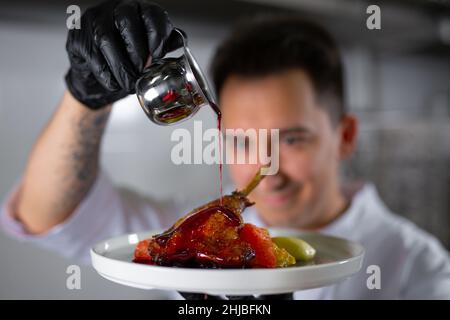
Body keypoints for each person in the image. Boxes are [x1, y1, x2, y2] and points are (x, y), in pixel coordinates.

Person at [1, 0, 449, 299]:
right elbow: (48, 216)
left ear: (345, 136)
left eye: (291, 139)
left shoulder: (420, 267)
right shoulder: (186, 241)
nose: (268, 170)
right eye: (242, 140)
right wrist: (85, 98)